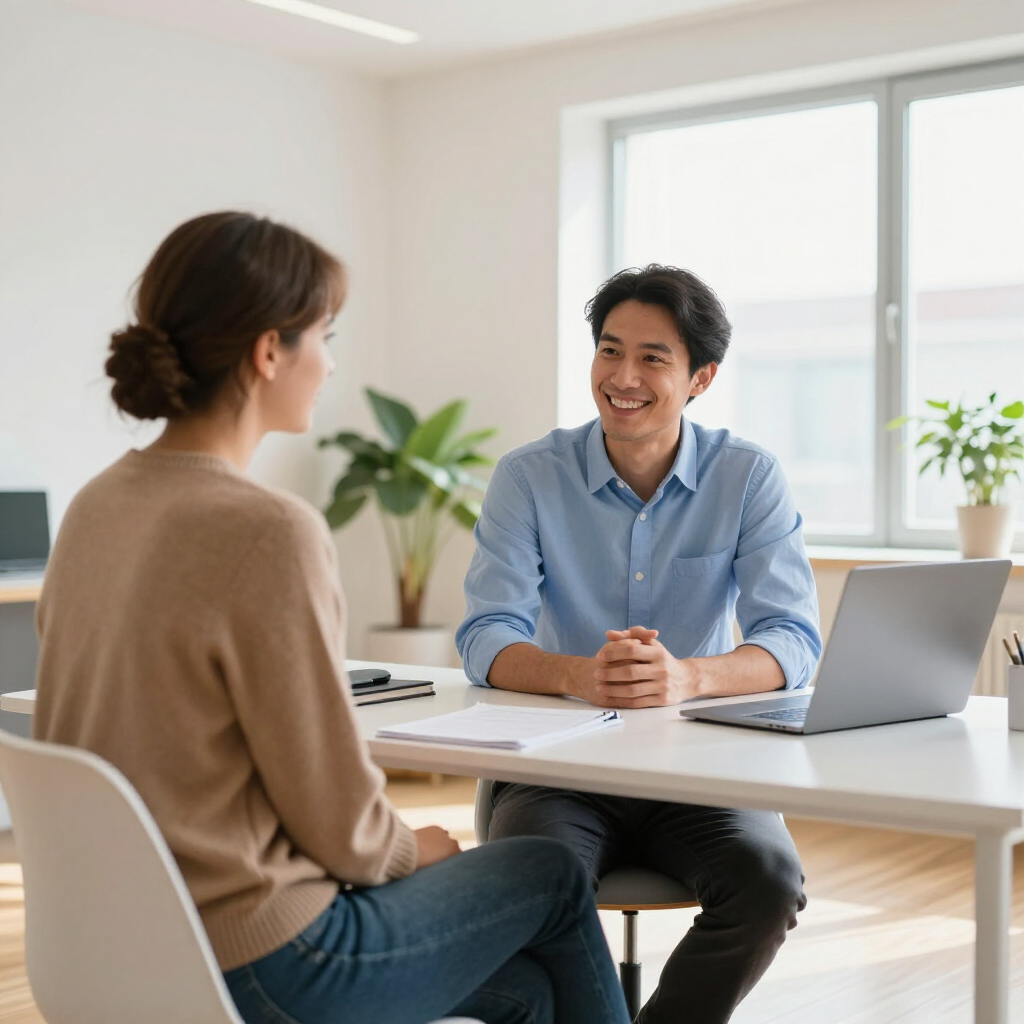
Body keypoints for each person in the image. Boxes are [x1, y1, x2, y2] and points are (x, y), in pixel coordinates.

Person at [32, 212, 632, 1024]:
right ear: (268, 351)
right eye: (325, 333)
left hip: (119, 944)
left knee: (529, 994)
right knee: (552, 875)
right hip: (267, 959)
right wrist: (406, 849)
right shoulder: (266, 530)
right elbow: (332, 806)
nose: (331, 361)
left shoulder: (94, 507)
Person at [456, 264, 823, 1024]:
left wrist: (688, 677)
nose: (623, 377)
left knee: (770, 883)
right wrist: (579, 676)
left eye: (653, 358)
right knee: (531, 885)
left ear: (701, 377)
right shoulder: (529, 477)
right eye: (609, 351)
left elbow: (791, 638)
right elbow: (487, 635)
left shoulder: (748, 477)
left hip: (696, 770)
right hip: (555, 767)